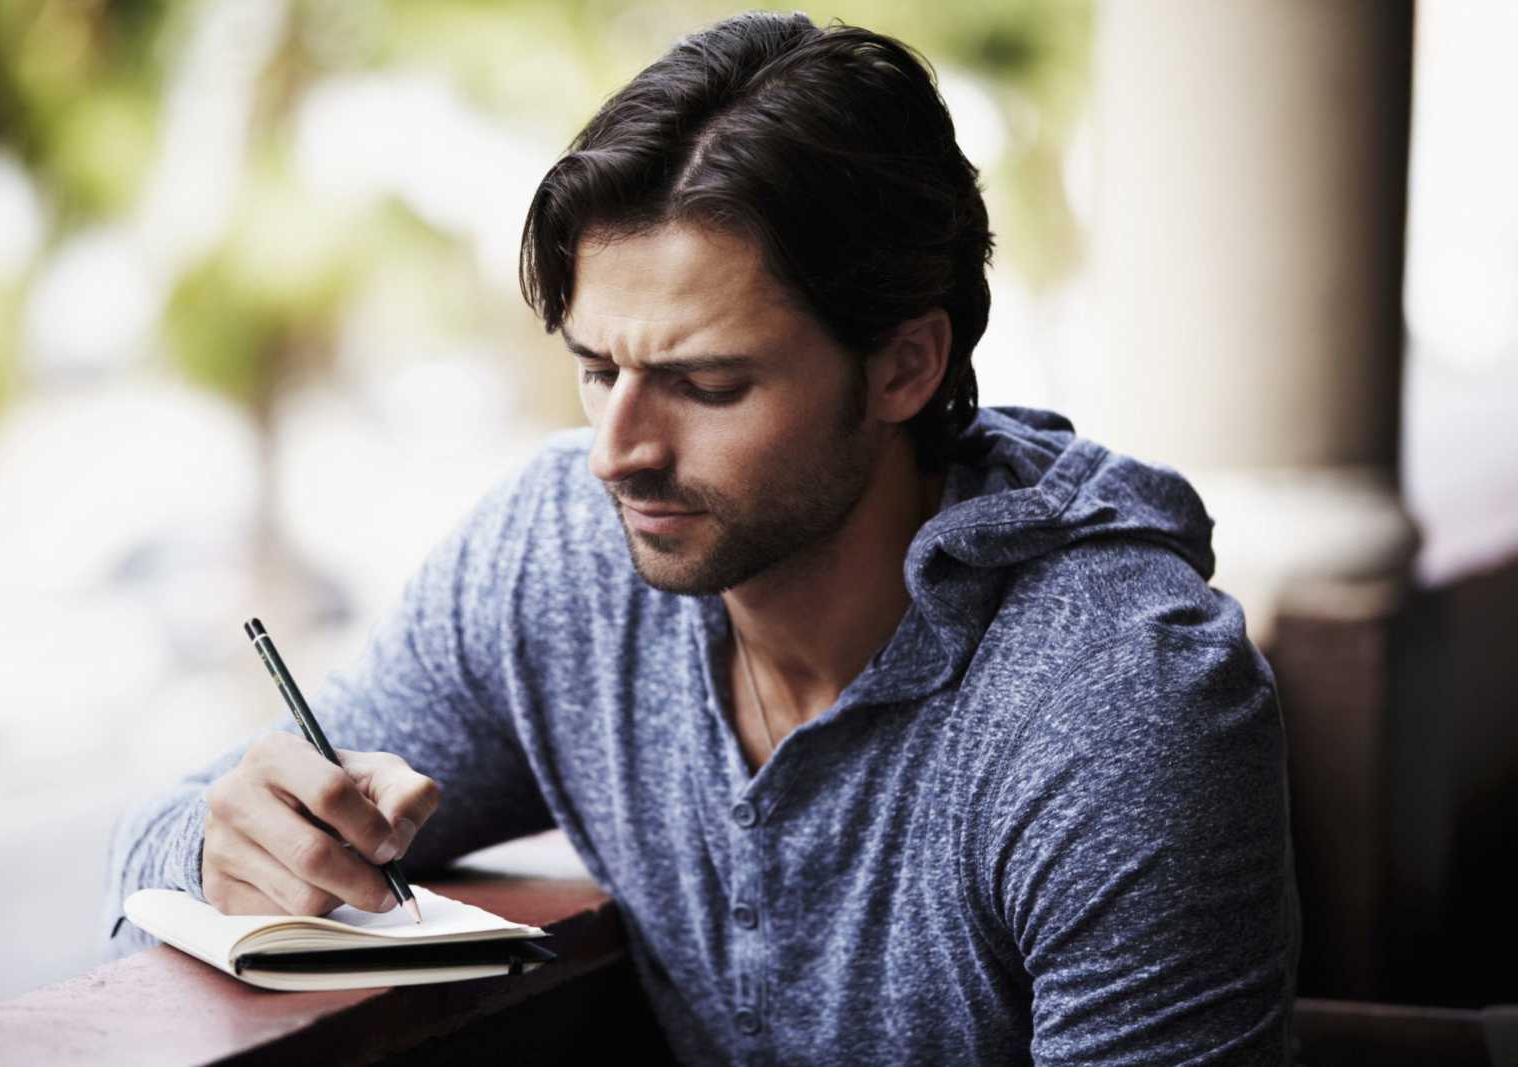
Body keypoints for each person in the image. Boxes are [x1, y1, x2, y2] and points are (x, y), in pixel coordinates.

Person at [104, 11, 1301, 1064]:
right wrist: (238, 842)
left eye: (707, 382)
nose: (617, 450)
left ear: (903, 364)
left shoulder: (1114, 702)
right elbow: (156, 842)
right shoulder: (562, 560)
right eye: (594, 369)